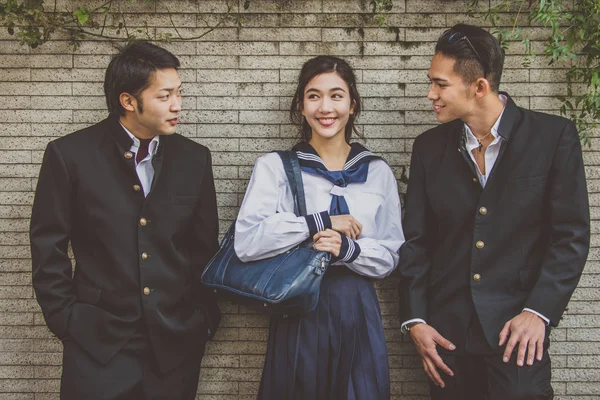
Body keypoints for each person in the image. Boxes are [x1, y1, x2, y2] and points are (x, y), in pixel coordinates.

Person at [398, 23, 590, 399]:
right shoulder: (427, 148)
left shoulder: (554, 137)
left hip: (517, 334)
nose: (430, 94)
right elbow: (416, 241)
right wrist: (416, 320)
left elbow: (571, 237)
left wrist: (539, 312)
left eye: (440, 84)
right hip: (447, 337)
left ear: (480, 87)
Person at [29, 40, 220, 400]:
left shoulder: (195, 159)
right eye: (164, 96)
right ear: (129, 101)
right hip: (97, 344)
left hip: (175, 345)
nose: (177, 105)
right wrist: (65, 319)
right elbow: (47, 245)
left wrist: (204, 317)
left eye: (179, 93)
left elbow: (203, 245)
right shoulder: (69, 155)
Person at [234, 55, 404, 400]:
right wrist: (319, 222)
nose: (326, 107)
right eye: (314, 96)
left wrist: (349, 248)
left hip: (357, 306)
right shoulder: (275, 168)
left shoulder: (377, 171)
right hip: (299, 305)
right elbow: (247, 242)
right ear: (300, 105)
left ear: (353, 104)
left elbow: (390, 254)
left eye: (336, 96)